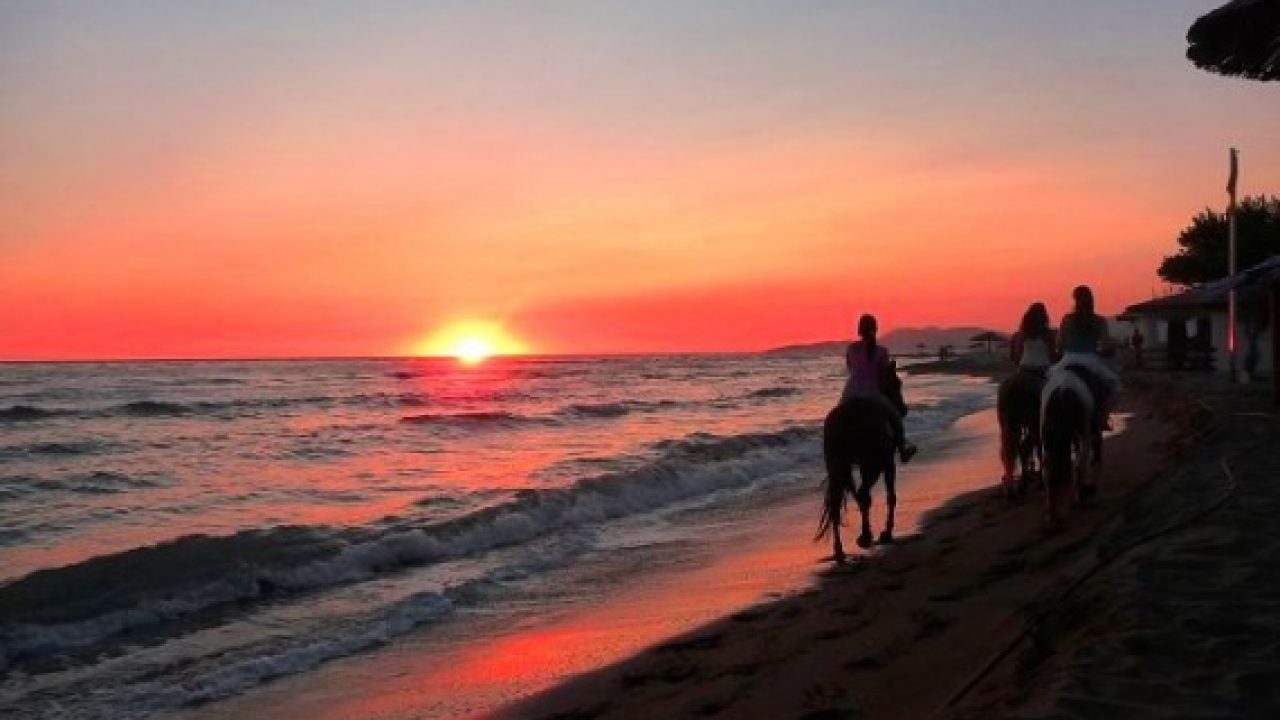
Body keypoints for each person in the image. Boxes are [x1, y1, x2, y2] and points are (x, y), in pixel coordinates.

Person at [839, 314, 918, 463]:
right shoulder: (882, 351)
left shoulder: (851, 348)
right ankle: (903, 449)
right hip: (871, 393)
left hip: (850, 393)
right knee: (895, 416)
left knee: (837, 417)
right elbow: (885, 378)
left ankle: (838, 455)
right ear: (875, 329)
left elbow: (851, 370)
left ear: (859, 330)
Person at [1054, 286, 1121, 429]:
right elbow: (1106, 346)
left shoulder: (1067, 319)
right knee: (1116, 387)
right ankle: (1103, 417)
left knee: (1047, 382)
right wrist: (1107, 351)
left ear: (1075, 300)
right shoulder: (1099, 321)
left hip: (1068, 360)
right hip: (1090, 360)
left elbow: (1059, 344)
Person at [1010, 302, 1057, 375]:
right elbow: (1052, 354)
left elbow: (1017, 355)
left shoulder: (1021, 334)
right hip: (1043, 368)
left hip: (1024, 367)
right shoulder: (1048, 334)